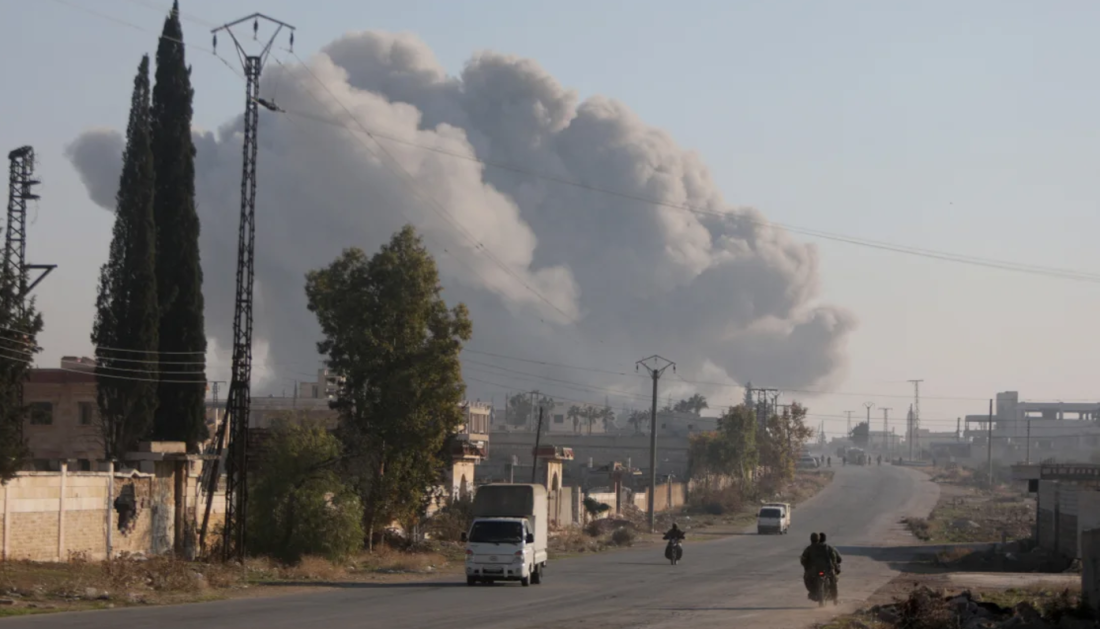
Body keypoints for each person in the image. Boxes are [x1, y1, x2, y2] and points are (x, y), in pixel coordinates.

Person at [818, 532, 842, 601]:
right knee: (833, 580)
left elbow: (805, 559)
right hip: (828, 569)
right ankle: (835, 598)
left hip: (816, 570)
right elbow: (838, 559)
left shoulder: (811, 548)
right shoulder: (829, 548)